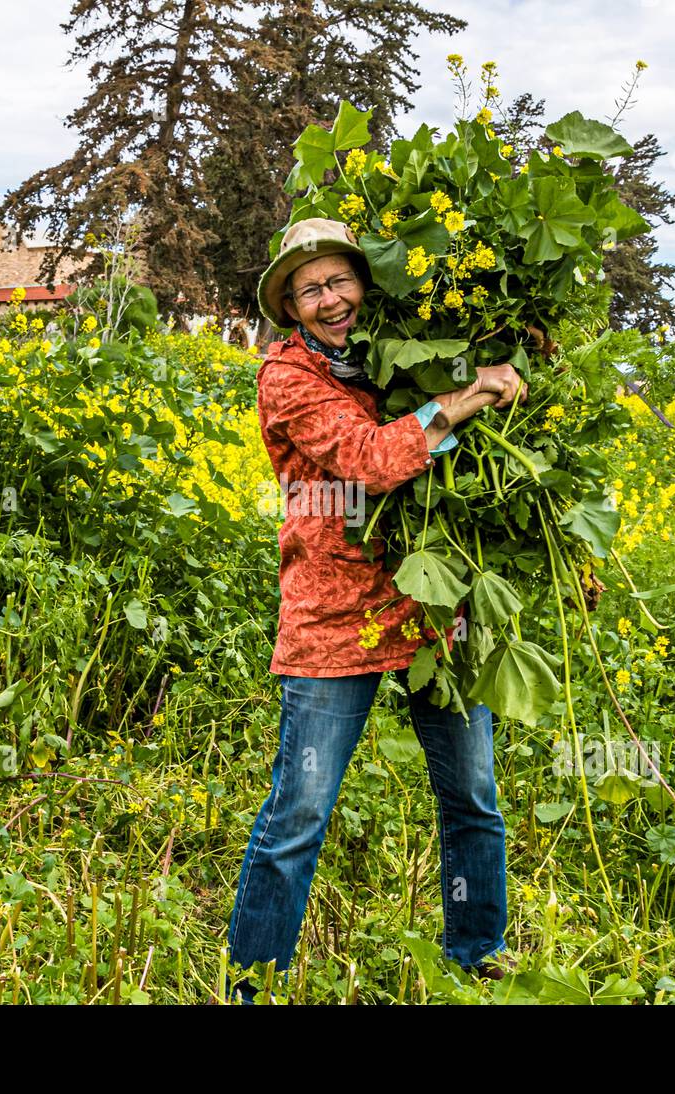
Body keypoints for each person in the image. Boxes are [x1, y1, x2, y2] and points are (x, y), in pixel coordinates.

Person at [223, 217, 535, 1005]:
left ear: (365, 283)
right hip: (335, 611)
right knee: (299, 812)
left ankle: (476, 957)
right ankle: (251, 985)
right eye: (310, 289)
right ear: (291, 307)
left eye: (340, 281)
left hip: (433, 609)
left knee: (473, 798)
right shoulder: (286, 379)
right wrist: (465, 400)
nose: (330, 300)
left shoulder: (400, 353)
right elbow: (368, 459)